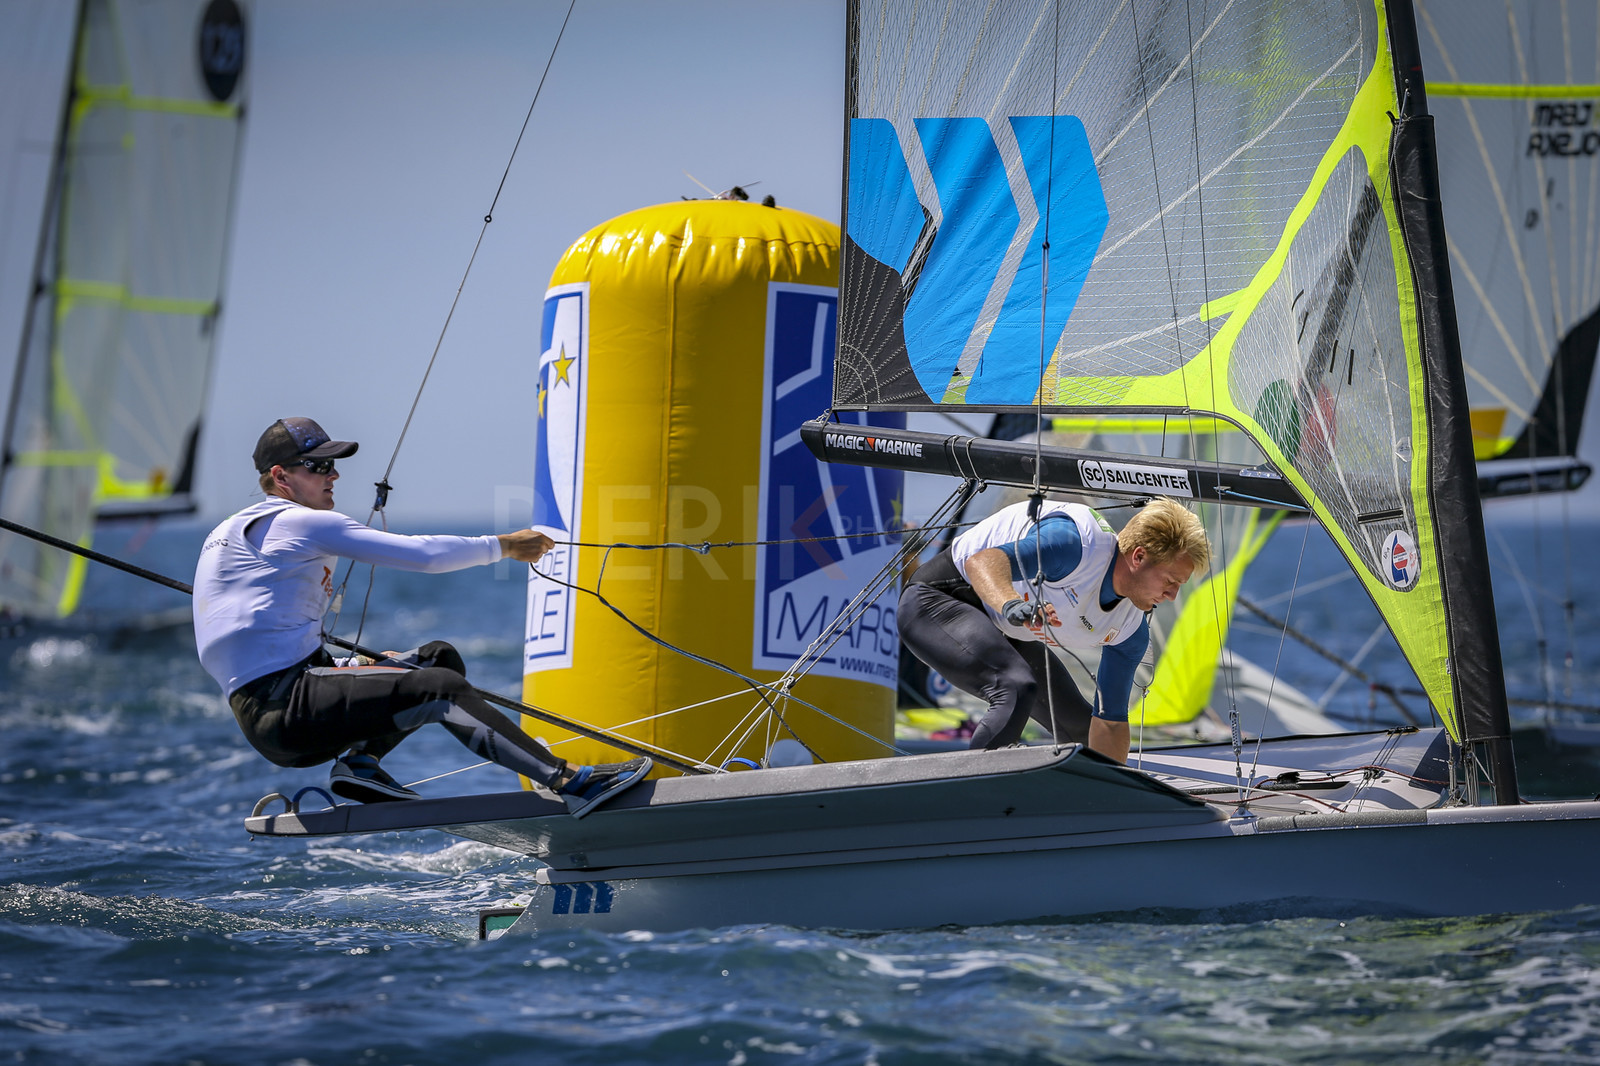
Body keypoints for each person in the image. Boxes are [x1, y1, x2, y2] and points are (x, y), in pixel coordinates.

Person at [192, 416, 651, 815]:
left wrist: (351, 669)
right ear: (280, 476)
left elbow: (258, 636)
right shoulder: (297, 521)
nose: (332, 475)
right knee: (441, 689)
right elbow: (423, 557)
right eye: (317, 466)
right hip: (283, 709)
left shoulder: (230, 533)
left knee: (436, 660)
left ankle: (361, 766)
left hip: (281, 704)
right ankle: (573, 782)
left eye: (334, 464)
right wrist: (505, 546)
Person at [898, 496, 1211, 763]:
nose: (1172, 596)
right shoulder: (1074, 545)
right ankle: (980, 803)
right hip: (937, 600)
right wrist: (1010, 604)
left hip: (1004, 627)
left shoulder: (1130, 631)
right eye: (1170, 581)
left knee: (1083, 733)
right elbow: (983, 562)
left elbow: (1111, 723)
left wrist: (1115, 799)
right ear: (1139, 557)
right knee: (1015, 686)